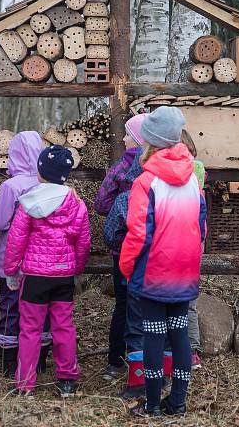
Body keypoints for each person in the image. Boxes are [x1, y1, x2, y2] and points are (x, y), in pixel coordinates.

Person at [120, 107, 206, 417]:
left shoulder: (146, 182)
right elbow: (202, 226)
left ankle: (154, 404)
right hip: (185, 271)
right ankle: (178, 402)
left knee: (153, 335)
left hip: (154, 272)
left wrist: (128, 268)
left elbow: (137, 233)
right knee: (180, 334)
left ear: (151, 142)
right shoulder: (194, 180)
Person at [5, 145, 91, 397]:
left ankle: (25, 384)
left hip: (34, 277)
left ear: (40, 171)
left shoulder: (30, 201)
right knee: (63, 326)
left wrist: (11, 270)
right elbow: (83, 242)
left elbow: (16, 239)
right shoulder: (76, 203)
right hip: (63, 275)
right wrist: (76, 268)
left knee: (29, 329)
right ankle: (67, 379)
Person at [0, 131, 45, 377]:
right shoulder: (46, 182)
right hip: (41, 262)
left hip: (12, 261)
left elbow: (0, 221)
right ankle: (40, 359)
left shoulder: (11, 186)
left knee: (11, 307)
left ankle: (10, 360)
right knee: (40, 307)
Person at [94, 113, 146, 381]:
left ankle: (115, 361)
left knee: (123, 305)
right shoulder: (156, 168)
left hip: (123, 248)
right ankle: (151, 362)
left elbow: (101, 204)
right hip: (153, 249)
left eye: (127, 134)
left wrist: (118, 209)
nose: (123, 138)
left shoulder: (120, 168)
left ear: (137, 137)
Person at [104, 148, 145, 399]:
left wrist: (121, 244)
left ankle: (116, 362)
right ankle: (160, 369)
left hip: (126, 261)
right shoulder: (170, 194)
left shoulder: (125, 198)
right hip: (162, 264)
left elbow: (110, 233)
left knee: (124, 309)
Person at [180, 129, 205, 369]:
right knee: (189, 301)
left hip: (184, 240)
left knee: (186, 302)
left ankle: (190, 349)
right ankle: (190, 350)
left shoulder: (192, 169)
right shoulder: (198, 167)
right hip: (195, 240)